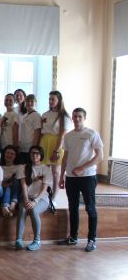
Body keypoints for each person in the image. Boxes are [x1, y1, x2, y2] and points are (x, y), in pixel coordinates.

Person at [58, 107, 103, 252]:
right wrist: (61, 176)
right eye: (75, 116)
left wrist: (82, 168)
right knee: (73, 207)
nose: (77, 119)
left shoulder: (92, 133)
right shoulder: (68, 136)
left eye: (79, 116)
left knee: (90, 208)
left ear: (84, 118)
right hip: (71, 178)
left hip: (87, 177)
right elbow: (65, 157)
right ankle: (73, 237)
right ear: (72, 118)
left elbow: (99, 156)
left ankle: (92, 240)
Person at [15, 145, 52, 251]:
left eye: (37, 153)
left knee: (34, 210)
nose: (35, 155)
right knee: (22, 209)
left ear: (41, 155)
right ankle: (18, 240)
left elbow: (44, 188)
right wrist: (26, 199)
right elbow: (23, 185)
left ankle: (37, 241)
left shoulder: (46, 169)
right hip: (27, 197)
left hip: (41, 198)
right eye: (32, 153)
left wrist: (35, 201)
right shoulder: (23, 167)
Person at [40, 90, 72, 199]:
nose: (50, 101)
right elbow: (41, 131)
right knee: (43, 171)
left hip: (57, 144)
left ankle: (53, 198)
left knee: (55, 172)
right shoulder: (45, 114)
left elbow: (62, 134)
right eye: (49, 99)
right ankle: (42, 195)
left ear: (59, 100)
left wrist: (56, 150)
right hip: (44, 142)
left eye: (53, 99)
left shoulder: (64, 116)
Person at [18, 94, 42, 165]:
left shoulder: (36, 115)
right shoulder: (25, 115)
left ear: (35, 103)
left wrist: (33, 148)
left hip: (30, 148)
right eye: (27, 101)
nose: (29, 103)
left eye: (32, 101)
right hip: (23, 148)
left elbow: (37, 132)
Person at [0, 145, 21, 218]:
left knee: (15, 181)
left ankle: (9, 205)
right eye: (7, 153)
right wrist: (5, 184)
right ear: (4, 154)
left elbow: (19, 182)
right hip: (2, 190)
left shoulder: (19, 167)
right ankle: (9, 206)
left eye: (12, 154)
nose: (9, 155)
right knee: (7, 188)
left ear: (15, 156)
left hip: (16, 192)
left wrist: (8, 183)